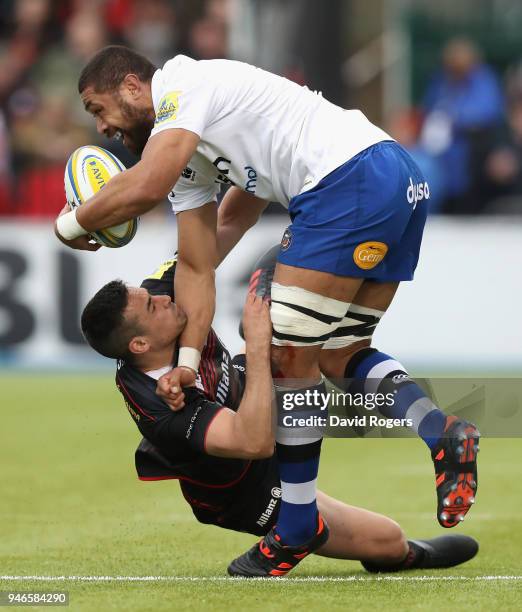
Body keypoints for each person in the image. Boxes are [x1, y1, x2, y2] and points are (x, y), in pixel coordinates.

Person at [55, 45, 480, 576]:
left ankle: (297, 524)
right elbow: (200, 260)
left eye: (98, 109)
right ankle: (441, 431)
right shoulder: (193, 152)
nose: (101, 129)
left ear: (133, 87)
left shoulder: (183, 87)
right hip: (394, 177)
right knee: (340, 353)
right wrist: (188, 357)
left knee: (281, 354)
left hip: (343, 182)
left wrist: (72, 223)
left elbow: (146, 185)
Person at [80, 255, 479, 577]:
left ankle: (436, 431)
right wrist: (255, 344)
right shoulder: (158, 409)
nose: (164, 298)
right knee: (388, 541)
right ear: (139, 343)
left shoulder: (158, 304)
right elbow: (254, 442)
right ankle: (399, 554)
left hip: (241, 393)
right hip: (244, 487)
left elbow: (210, 241)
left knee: (303, 343)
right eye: (153, 305)